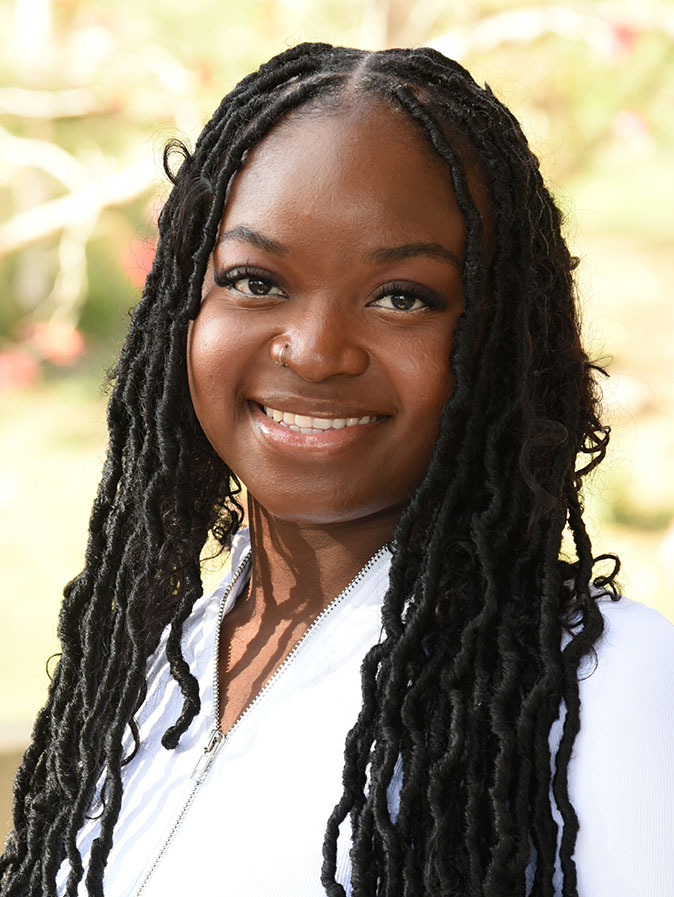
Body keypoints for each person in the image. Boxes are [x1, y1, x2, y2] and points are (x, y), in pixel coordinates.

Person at [1, 42, 673, 897]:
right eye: (255, 281)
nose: (315, 352)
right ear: (182, 309)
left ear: (503, 343)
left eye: (403, 296)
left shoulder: (607, 685)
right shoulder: (147, 667)